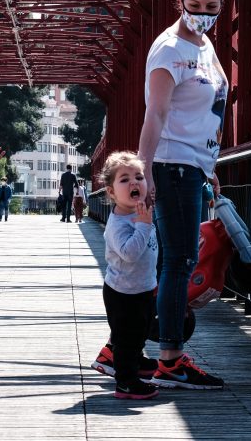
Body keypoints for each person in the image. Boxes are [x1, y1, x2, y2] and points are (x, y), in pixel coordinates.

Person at [138, 0, 228, 390]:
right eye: (195, 4)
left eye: (211, 7)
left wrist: (209, 167)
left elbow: (204, 116)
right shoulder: (170, 49)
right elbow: (155, 114)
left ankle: (121, 349)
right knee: (178, 262)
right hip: (171, 166)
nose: (203, 14)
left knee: (171, 262)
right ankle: (170, 359)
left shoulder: (205, 48)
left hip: (192, 166)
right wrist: (144, 173)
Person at [89, 151, 160, 400]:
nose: (134, 183)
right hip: (122, 292)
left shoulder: (141, 212)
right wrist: (143, 225)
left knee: (141, 331)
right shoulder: (118, 224)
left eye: (139, 177)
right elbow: (130, 253)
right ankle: (126, 382)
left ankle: (136, 362)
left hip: (142, 286)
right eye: (124, 179)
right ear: (111, 193)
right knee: (126, 337)